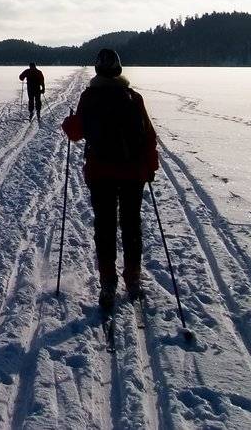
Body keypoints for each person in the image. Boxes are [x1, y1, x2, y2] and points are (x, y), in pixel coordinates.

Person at [61, 48, 159, 313]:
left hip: (101, 172)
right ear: (119, 70)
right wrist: (150, 166)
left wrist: (69, 125)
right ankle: (133, 278)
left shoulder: (89, 97)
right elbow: (148, 136)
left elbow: (77, 133)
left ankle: (107, 282)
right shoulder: (133, 97)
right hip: (132, 173)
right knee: (131, 225)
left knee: (105, 226)